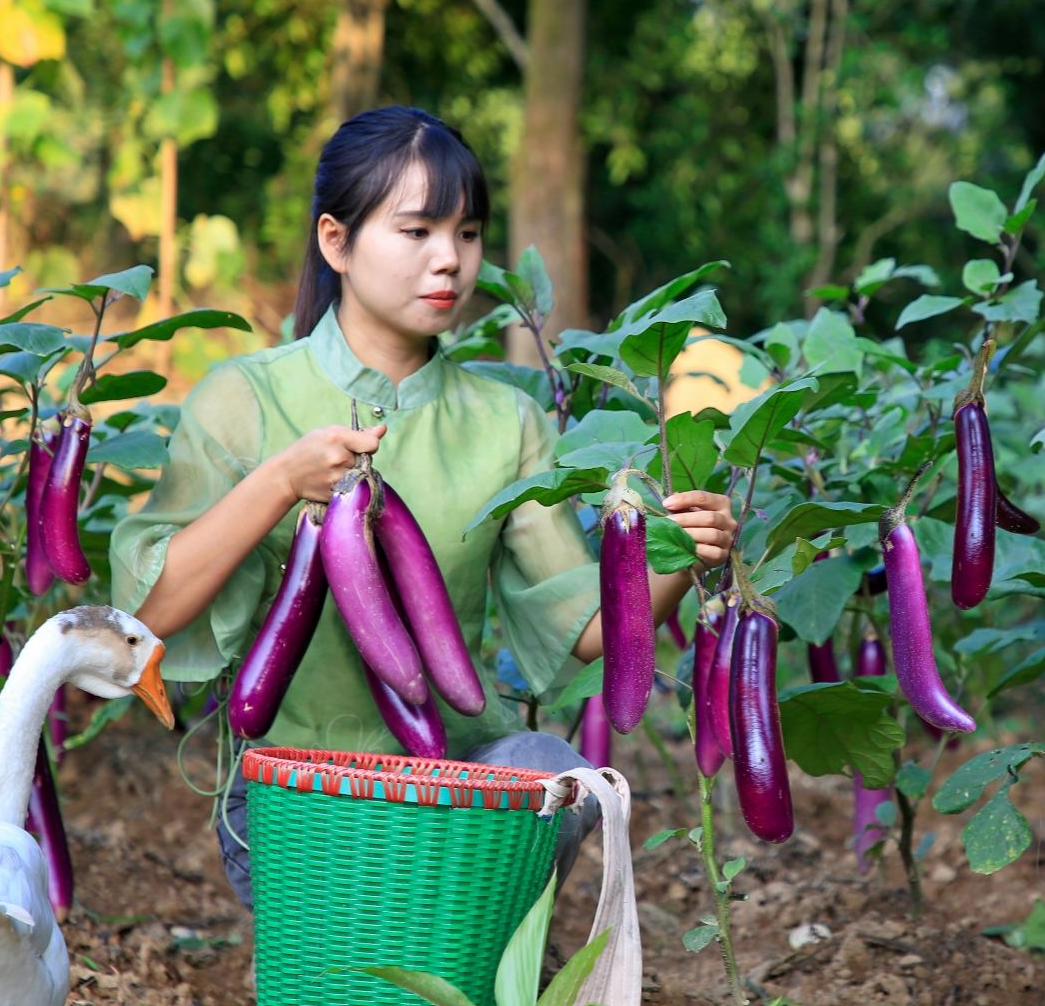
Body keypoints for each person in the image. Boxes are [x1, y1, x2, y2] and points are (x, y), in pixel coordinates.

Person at [109, 105, 735, 908]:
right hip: (293, 797)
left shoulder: (505, 420)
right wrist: (276, 482)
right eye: (417, 232)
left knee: (554, 772)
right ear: (335, 241)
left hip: (460, 786)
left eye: (468, 233)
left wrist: (681, 554)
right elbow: (149, 610)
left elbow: (588, 629)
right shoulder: (244, 398)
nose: (450, 261)